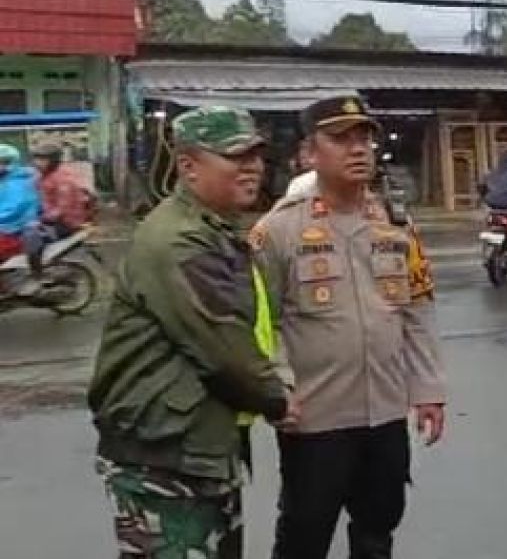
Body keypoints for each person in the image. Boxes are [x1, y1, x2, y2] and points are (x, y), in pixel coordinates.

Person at [88, 106, 297, 559]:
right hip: (164, 457)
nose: (253, 168)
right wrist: (278, 401)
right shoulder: (179, 240)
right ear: (188, 166)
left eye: (257, 157)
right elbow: (222, 348)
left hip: (194, 445)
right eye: (236, 157)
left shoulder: (213, 230)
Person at [251, 95, 447, 559]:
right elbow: (260, 323)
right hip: (315, 416)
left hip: (385, 413)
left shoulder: (395, 226)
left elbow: (416, 309)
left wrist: (429, 388)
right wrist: (276, 388)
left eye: (364, 137)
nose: (358, 149)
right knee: (305, 533)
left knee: (378, 529)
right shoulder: (276, 232)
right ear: (308, 154)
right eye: (340, 139)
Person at [21, 141, 93, 289]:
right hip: (53, 219)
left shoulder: (63, 179)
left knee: (31, 234)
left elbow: (62, 209)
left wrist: (40, 221)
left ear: (53, 160)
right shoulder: (45, 175)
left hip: (66, 223)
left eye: (42, 159)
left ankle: (38, 274)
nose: (37, 163)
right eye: (36, 159)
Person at [0, 143, 39, 263]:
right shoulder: (5, 179)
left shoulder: (19, 181)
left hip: (15, 229)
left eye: (3, 162)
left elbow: (14, 211)